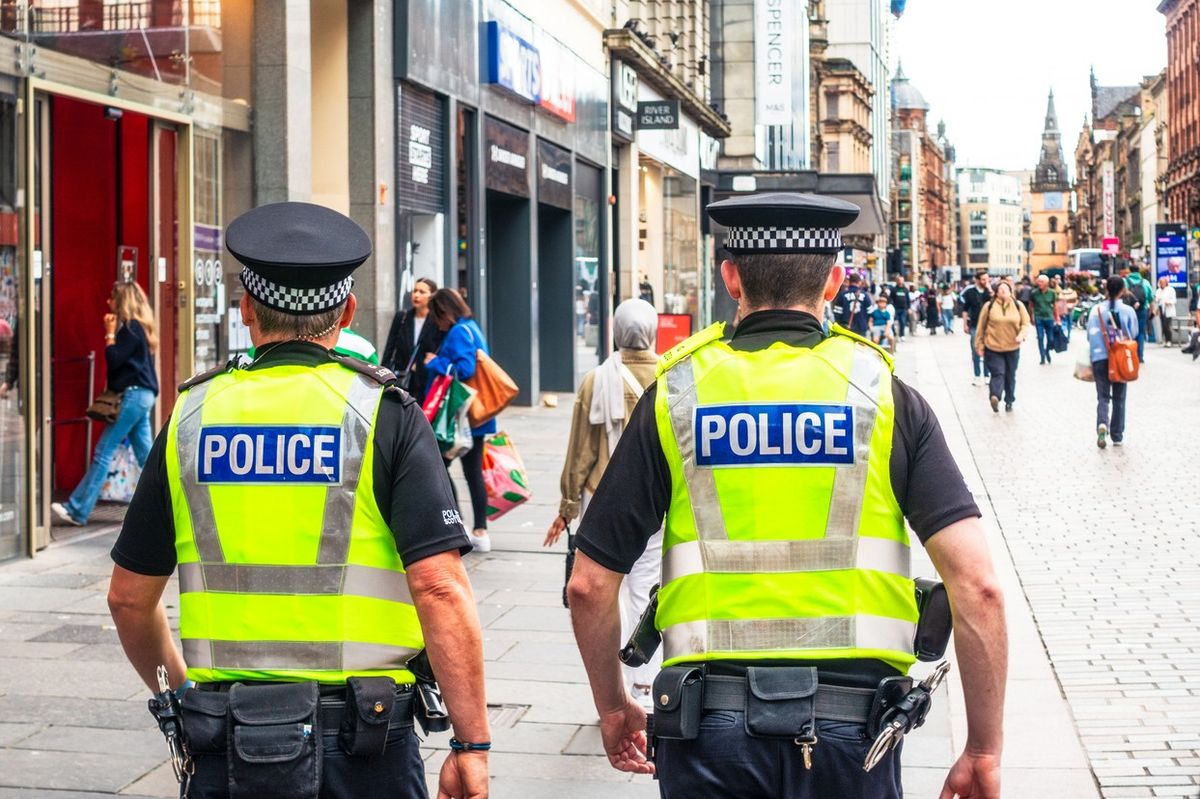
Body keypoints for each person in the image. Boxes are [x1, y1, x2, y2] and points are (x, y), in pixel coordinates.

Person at [566, 192, 1006, 799]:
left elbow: (588, 585)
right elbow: (977, 586)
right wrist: (982, 748)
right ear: (833, 282)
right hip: (855, 734)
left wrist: (614, 709)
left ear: (730, 277)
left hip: (706, 733)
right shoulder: (885, 396)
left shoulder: (676, 396)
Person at [105, 202, 490, 799]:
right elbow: (440, 589)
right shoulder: (382, 415)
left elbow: (129, 599)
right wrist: (471, 745)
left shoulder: (192, 415)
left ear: (246, 312)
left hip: (226, 736)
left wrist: (178, 700)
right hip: (364, 742)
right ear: (348, 312)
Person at [545, 298, 662, 704]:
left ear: (615, 331)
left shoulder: (597, 379)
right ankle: (645, 679)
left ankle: (620, 681)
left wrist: (567, 507)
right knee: (646, 587)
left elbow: (580, 452)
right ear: (653, 330)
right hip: (657, 507)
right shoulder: (671, 375)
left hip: (603, 502)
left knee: (610, 589)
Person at [51, 282, 159, 527]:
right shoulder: (140, 329)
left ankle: (78, 509)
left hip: (132, 396)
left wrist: (109, 333)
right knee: (147, 457)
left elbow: (114, 360)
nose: (107, 302)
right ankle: (173, 506)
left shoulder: (130, 329)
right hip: (143, 396)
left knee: (103, 452)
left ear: (121, 301)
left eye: (111, 298)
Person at [425, 288, 496, 553]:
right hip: (474, 417)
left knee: (441, 467)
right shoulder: (471, 327)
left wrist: (436, 362)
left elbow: (465, 369)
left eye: (437, 316)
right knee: (472, 471)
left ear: (445, 312)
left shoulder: (457, 332)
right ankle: (479, 530)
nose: (437, 323)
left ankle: (464, 526)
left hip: (461, 418)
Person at [1088, 275, 1139, 449]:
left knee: (1102, 396)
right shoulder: (1128, 310)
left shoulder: (1095, 310)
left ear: (1106, 289)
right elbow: (1134, 333)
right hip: (1120, 358)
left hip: (1099, 357)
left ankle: (1102, 423)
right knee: (1119, 397)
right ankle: (1117, 434)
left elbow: (1090, 335)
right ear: (1122, 291)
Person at [381, 277, 443, 404]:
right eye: (415, 291)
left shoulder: (438, 322)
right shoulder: (402, 317)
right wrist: (383, 377)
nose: (416, 295)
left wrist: (420, 365)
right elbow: (390, 348)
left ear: (432, 296)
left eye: (422, 292)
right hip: (402, 380)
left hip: (426, 381)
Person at [974, 280, 1030, 413]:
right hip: (993, 347)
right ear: (996, 292)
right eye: (1001, 289)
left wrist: (1021, 335)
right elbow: (981, 327)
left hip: (1012, 347)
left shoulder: (1018, 305)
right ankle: (995, 396)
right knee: (998, 373)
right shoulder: (989, 306)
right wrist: (979, 345)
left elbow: (1025, 323)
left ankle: (1009, 400)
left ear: (1011, 291)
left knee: (1010, 375)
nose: (1003, 291)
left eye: (1006, 288)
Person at [961, 270, 992, 386]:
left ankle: (987, 375)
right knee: (975, 350)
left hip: (988, 326)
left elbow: (995, 303)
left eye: (987, 279)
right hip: (974, 325)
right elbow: (965, 309)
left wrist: (989, 289)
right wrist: (964, 324)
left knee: (988, 350)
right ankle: (977, 375)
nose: (986, 281)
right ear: (977, 280)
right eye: (984, 279)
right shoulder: (970, 292)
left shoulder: (989, 292)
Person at [1124, 268, 1152, 362]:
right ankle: (1140, 357)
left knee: (1128, 331)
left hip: (1128, 310)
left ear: (1130, 271)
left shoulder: (1125, 281)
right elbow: (1150, 297)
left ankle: (1131, 355)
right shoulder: (1145, 282)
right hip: (1142, 310)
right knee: (1140, 332)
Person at [1030, 274, 1058, 365]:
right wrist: (1032, 316)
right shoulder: (1034, 293)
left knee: (1051, 339)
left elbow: (1055, 306)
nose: (1039, 283)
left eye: (1041, 282)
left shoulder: (1052, 293)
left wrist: (1057, 318)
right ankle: (1042, 356)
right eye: (1038, 281)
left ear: (1046, 283)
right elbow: (1031, 305)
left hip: (1049, 317)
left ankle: (1047, 351)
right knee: (1040, 338)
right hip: (1039, 317)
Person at [1154, 277, 1176, 347]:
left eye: (1163, 282)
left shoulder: (1171, 290)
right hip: (1161, 310)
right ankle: (1166, 340)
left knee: (1167, 326)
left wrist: (1168, 302)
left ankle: (1169, 341)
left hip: (1168, 309)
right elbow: (1156, 300)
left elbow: (1174, 300)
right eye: (1160, 283)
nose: (1162, 284)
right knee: (1163, 326)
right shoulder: (1158, 291)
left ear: (1166, 283)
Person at [888, 275, 910, 340]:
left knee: (902, 322)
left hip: (903, 309)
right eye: (899, 280)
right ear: (897, 281)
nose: (900, 281)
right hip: (895, 308)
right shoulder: (894, 289)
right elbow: (890, 298)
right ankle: (894, 333)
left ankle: (902, 335)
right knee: (893, 322)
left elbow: (907, 299)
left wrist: (909, 308)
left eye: (901, 280)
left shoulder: (905, 289)